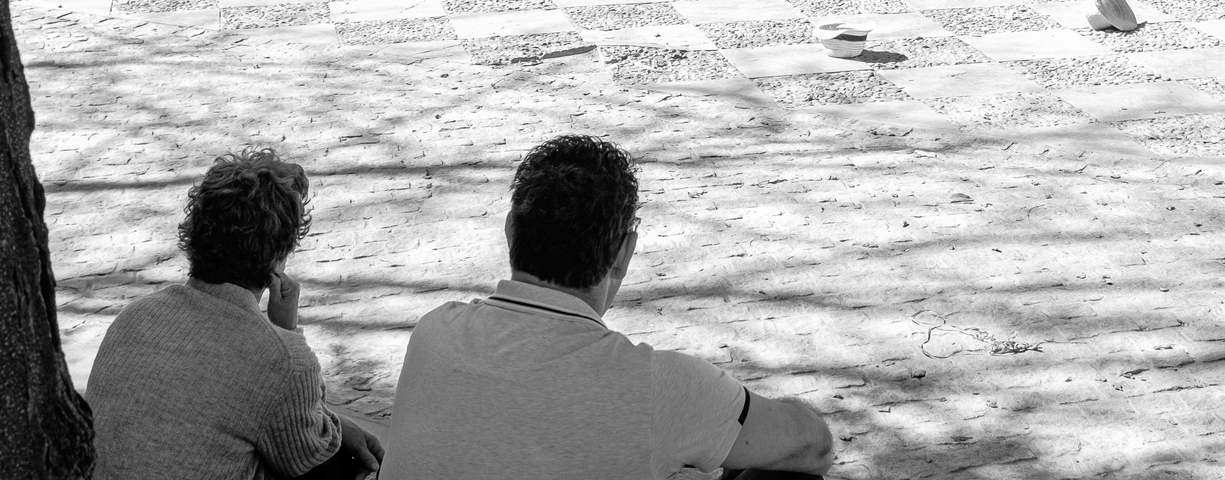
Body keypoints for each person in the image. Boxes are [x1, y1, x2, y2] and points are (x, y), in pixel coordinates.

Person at [381, 135, 835, 480]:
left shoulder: (433, 331)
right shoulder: (667, 387)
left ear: (510, 232)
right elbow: (813, 446)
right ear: (625, 252)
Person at [87, 149, 385, 480]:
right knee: (337, 464)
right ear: (278, 258)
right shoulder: (279, 359)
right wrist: (286, 331)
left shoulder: (135, 316)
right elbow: (309, 453)